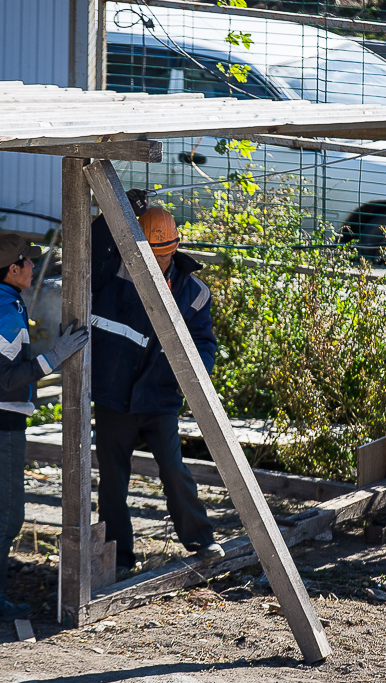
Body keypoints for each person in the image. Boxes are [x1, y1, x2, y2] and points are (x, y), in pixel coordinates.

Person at [0, 233, 89, 619]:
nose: (34, 268)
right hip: (0, 428)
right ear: (13, 269)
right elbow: (12, 378)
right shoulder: (8, 318)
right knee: (5, 517)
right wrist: (57, 356)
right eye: (29, 263)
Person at [91, 192, 225, 573]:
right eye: (153, 252)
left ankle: (201, 540)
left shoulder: (194, 292)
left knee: (175, 471)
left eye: (165, 252)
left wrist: (197, 377)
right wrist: (114, 211)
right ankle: (118, 556)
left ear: (176, 246)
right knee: (113, 481)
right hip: (115, 396)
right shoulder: (112, 272)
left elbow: (204, 343)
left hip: (159, 396)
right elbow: (90, 247)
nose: (160, 259)